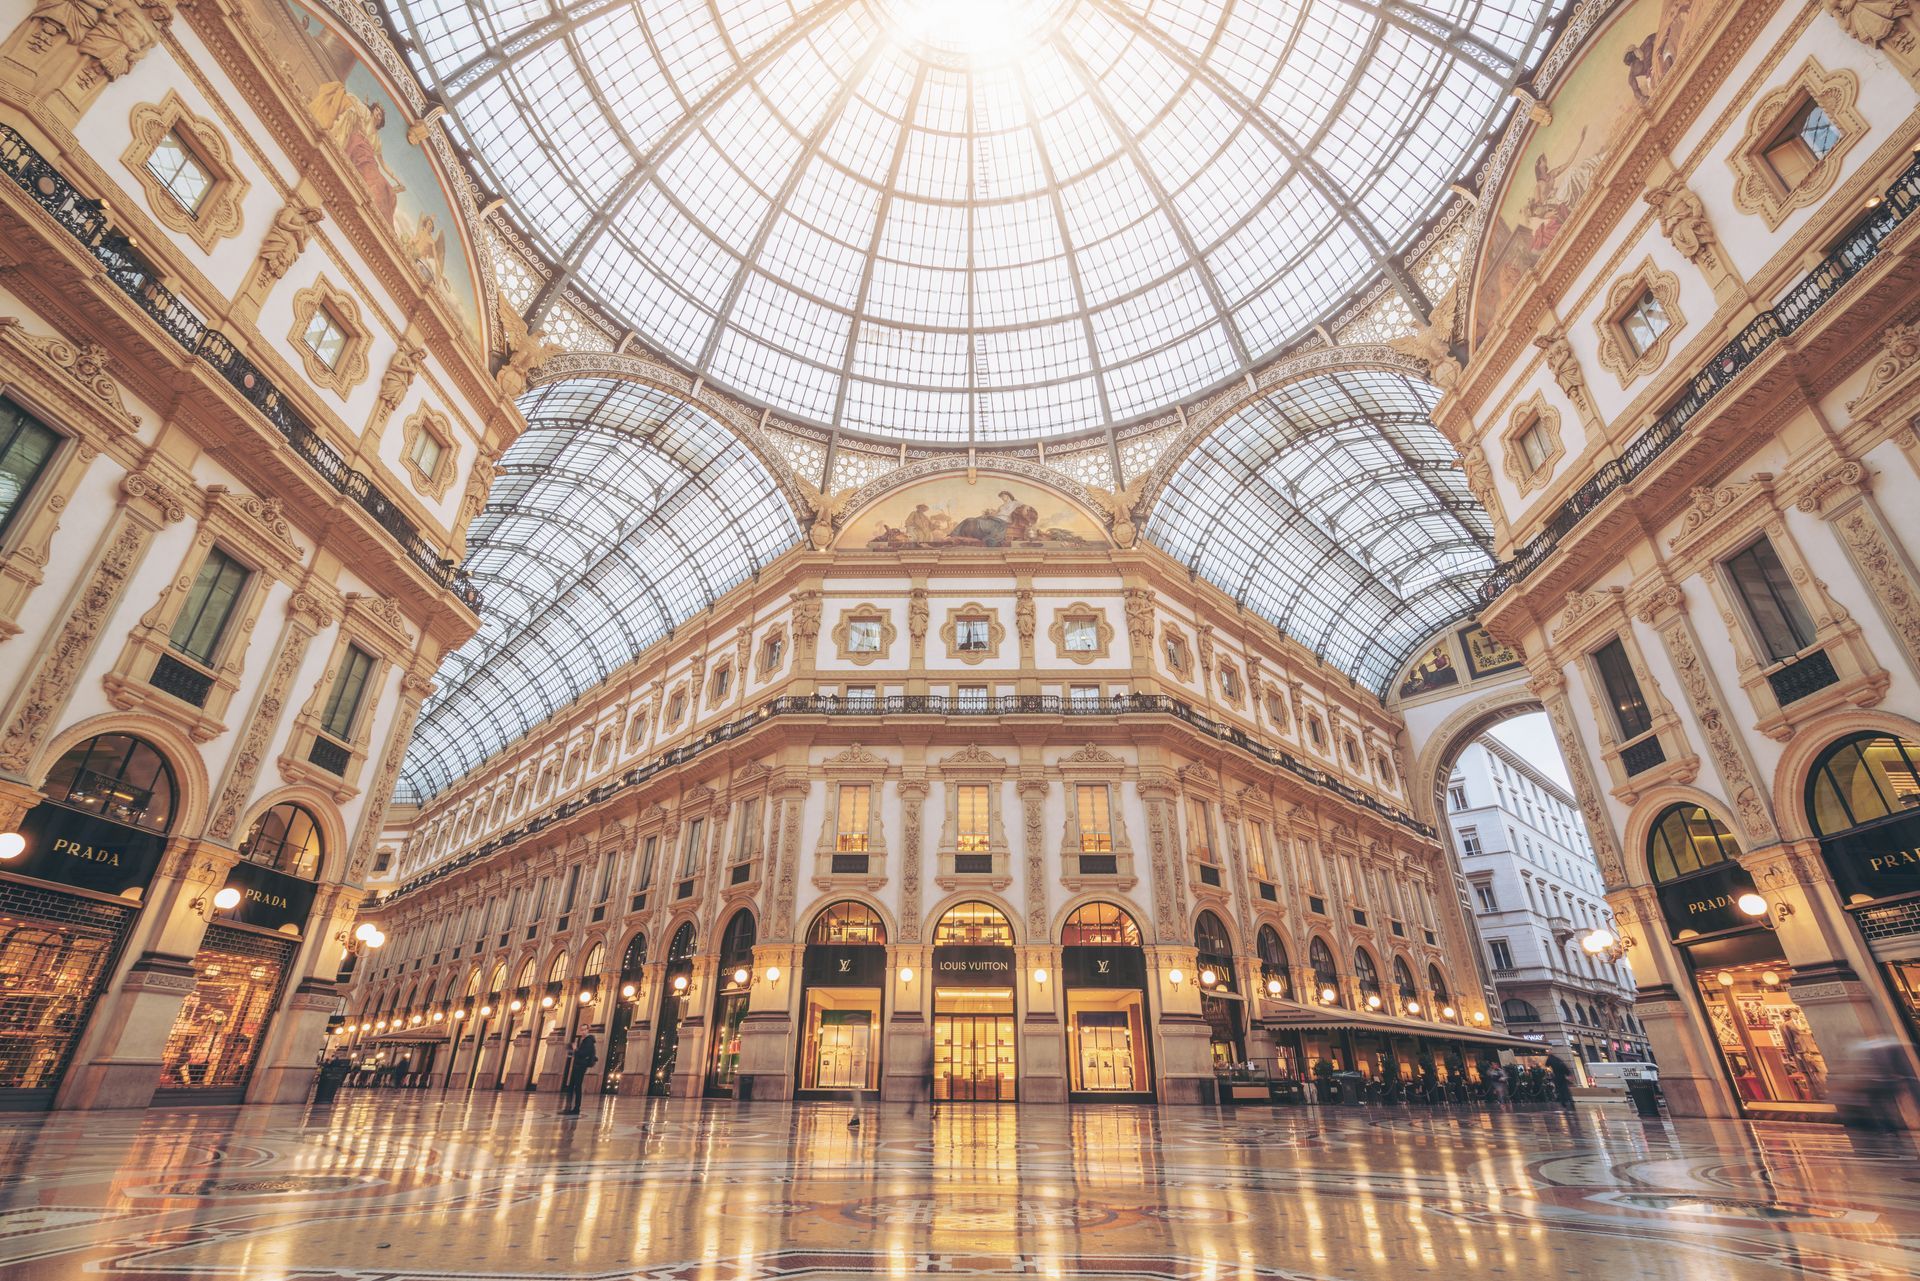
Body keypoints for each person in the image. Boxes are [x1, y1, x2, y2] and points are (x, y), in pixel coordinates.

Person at [561, 1032, 597, 1115]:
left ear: (588, 1030)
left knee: (577, 1087)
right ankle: (568, 1107)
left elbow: (583, 1054)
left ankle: (576, 1108)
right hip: (577, 1065)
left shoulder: (589, 1041)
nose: (583, 1031)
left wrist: (575, 1049)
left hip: (581, 1066)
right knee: (571, 1087)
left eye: (585, 1029)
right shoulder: (583, 1040)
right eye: (581, 1029)